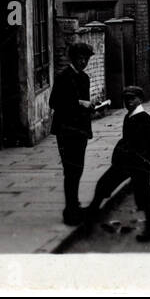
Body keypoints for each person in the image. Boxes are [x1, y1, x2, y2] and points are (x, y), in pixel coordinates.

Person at [84, 86, 150, 242]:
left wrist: (143, 157)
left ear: (140, 99)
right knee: (103, 185)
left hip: (138, 164)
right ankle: (89, 219)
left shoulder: (145, 119)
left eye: (132, 99)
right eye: (126, 99)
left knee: (145, 196)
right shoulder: (129, 116)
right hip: (125, 163)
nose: (129, 102)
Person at [50, 41, 95, 225]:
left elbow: (84, 104)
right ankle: (70, 210)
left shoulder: (84, 78)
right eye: (80, 58)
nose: (84, 62)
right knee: (71, 171)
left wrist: (91, 107)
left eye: (86, 59)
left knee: (78, 170)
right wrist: (79, 104)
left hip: (81, 130)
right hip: (66, 130)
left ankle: (74, 206)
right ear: (73, 58)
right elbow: (54, 103)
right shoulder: (63, 77)